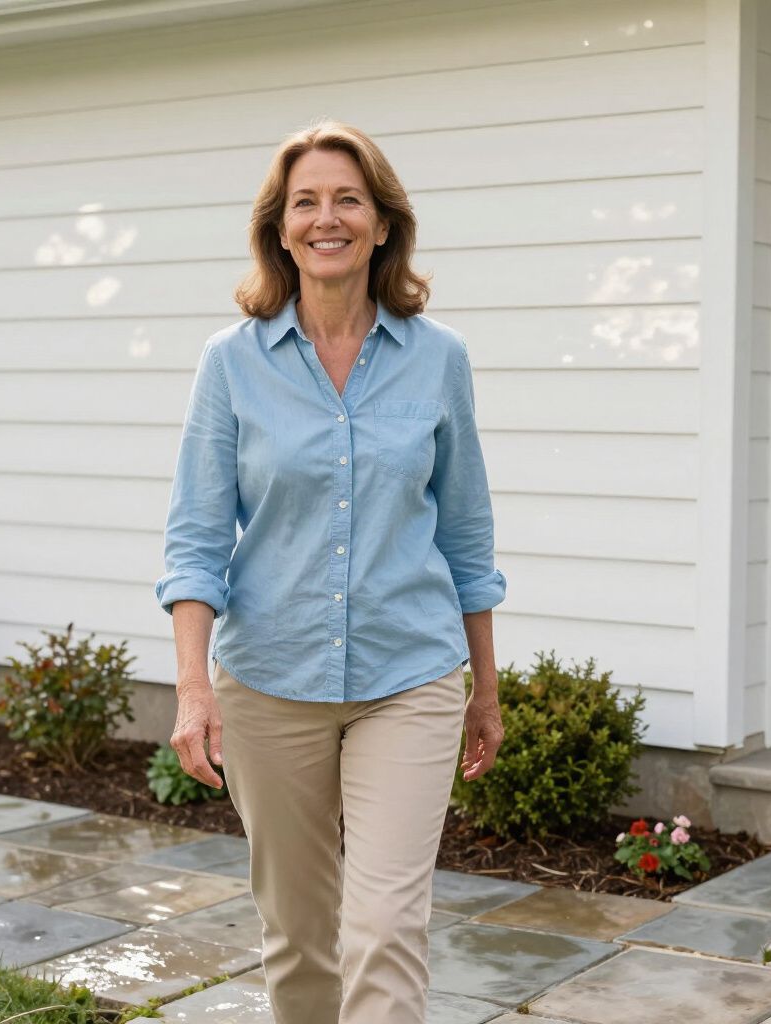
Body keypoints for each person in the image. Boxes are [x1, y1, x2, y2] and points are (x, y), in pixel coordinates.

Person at [154, 118, 507, 1024]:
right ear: (279, 229)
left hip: (409, 673)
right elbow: (196, 540)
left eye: (348, 198)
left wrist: (487, 689)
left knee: (386, 926)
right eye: (305, 201)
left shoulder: (441, 360)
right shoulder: (230, 365)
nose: (328, 218)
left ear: (383, 223)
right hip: (270, 680)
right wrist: (194, 687)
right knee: (300, 934)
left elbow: (466, 536)